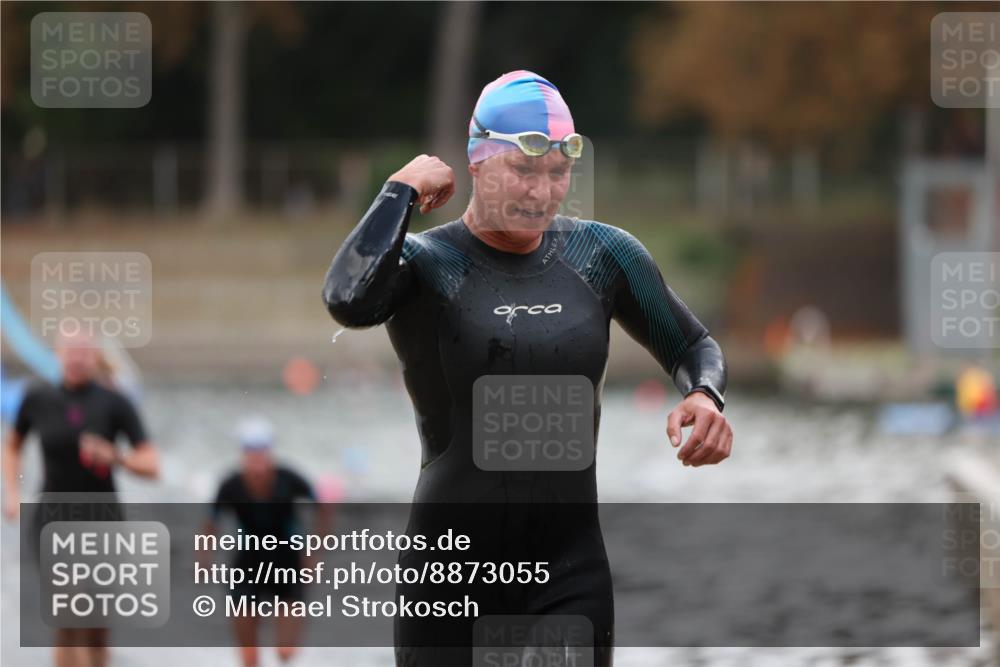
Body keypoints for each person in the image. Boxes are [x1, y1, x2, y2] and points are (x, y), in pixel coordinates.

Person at [322, 69, 732, 666]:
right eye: (523, 170)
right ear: (478, 161)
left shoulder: (602, 255)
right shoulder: (426, 264)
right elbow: (347, 298)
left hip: (569, 577)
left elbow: (695, 347)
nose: (542, 193)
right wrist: (400, 191)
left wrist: (704, 395)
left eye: (558, 173)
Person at [2, 330, 159, 667]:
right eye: (70, 351)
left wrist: (115, 456)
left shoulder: (114, 402)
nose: (76, 359)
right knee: (68, 612)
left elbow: (151, 464)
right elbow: (12, 445)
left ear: (95, 357)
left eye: (83, 352)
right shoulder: (38, 398)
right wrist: (12, 492)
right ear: (57, 355)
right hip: (53, 518)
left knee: (96, 625)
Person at [203, 416, 322, 667]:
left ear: (270, 453)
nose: (256, 460)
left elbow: (322, 507)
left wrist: (313, 553)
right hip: (248, 564)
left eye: (261, 452)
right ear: (242, 454)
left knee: (285, 652)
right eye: (250, 453)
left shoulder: (289, 479)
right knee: (249, 658)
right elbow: (210, 524)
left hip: (288, 561)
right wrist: (204, 562)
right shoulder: (230, 485)